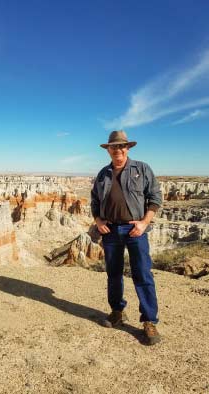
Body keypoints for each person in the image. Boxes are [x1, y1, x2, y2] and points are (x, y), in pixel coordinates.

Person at [90, 130, 162, 345]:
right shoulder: (103, 174)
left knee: (142, 274)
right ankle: (117, 312)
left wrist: (144, 222)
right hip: (110, 230)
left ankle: (149, 321)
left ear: (128, 148)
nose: (118, 150)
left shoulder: (142, 168)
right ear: (108, 150)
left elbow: (155, 197)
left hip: (135, 231)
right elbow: (94, 201)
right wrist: (98, 221)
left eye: (122, 146)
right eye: (113, 147)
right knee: (113, 274)